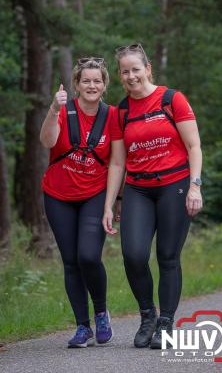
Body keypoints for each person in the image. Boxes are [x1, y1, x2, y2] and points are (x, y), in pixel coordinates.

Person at [103, 44, 203, 349]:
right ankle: (147, 315)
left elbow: (194, 146)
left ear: (148, 69)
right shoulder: (121, 111)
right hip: (138, 190)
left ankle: (166, 323)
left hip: (175, 185)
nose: (131, 75)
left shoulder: (172, 99)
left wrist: (196, 186)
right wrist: (111, 204)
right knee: (133, 255)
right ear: (119, 76)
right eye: (125, 71)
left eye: (136, 69)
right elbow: (118, 162)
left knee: (168, 257)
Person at [40, 57, 125, 348]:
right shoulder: (63, 110)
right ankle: (82, 326)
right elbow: (47, 142)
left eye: (97, 81)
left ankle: (101, 313)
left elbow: (116, 162)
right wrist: (54, 109)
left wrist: (110, 204)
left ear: (104, 85)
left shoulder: (112, 115)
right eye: (86, 81)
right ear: (76, 84)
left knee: (88, 255)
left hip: (94, 194)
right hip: (58, 195)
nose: (92, 85)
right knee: (71, 262)